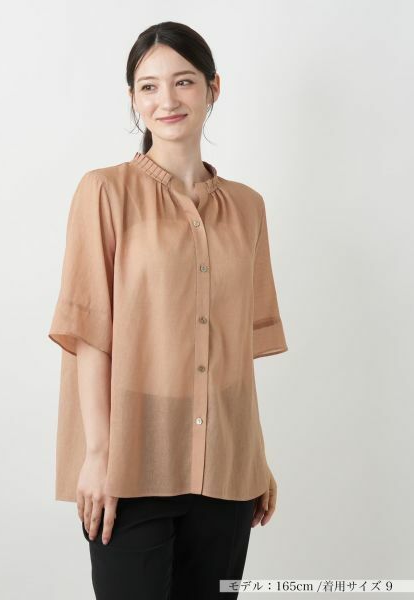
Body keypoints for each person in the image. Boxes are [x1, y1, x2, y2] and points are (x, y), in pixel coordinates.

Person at [48, 21, 288, 600]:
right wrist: (98, 456)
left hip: (226, 467)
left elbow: (235, 352)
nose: (167, 100)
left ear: (213, 87)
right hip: (131, 459)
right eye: (149, 86)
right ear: (133, 99)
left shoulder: (248, 208)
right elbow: (90, 334)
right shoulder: (104, 192)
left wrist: (255, 458)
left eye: (183, 81)